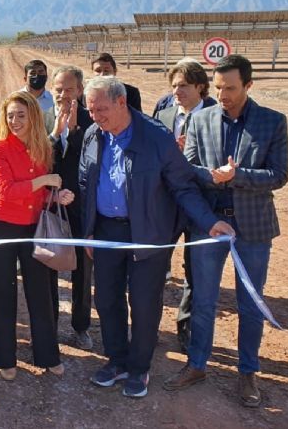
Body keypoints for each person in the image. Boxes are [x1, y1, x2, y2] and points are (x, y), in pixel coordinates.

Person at [79, 76, 235, 399]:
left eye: (101, 109)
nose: (95, 116)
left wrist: (209, 222)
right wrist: (90, 229)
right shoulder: (94, 135)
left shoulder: (155, 137)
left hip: (146, 233)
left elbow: (183, 186)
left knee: (145, 303)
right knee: (106, 300)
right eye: (90, 110)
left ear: (121, 103)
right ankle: (117, 360)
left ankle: (138, 368)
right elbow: (86, 183)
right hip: (106, 233)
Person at [163, 55, 288, 408]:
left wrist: (238, 175)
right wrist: (212, 178)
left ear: (248, 86)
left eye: (231, 88)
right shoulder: (200, 120)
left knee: (250, 304)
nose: (223, 95)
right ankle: (197, 364)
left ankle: (248, 371)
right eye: (218, 88)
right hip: (209, 224)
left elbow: (279, 176)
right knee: (203, 300)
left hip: (253, 228)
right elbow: (188, 171)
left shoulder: (272, 122)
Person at [0, 91, 73, 381]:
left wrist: (57, 196)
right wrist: (44, 181)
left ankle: (48, 355)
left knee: (41, 293)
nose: (15, 121)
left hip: (34, 227)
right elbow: (5, 192)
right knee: (3, 292)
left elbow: (38, 193)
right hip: (2, 228)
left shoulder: (41, 145)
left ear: (33, 116)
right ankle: (6, 358)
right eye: (10, 116)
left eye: (21, 115)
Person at [154, 59, 216, 353]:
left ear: (201, 87)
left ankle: (186, 328)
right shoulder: (163, 114)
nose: (177, 91)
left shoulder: (218, 116)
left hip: (202, 204)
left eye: (184, 86)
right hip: (166, 204)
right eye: (174, 85)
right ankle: (147, 325)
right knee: (154, 263)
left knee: (194, 270)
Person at [43, 65, 95, 350]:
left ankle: (80, 325)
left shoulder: (92, 120)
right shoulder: (42, 119)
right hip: (48, 204)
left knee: (82, 269)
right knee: (48, 263)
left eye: (69, 90)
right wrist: (55, 133)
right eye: (58, 89)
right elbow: (40, 159)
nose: (63, 95)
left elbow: (88, 161)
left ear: (80, 90)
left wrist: (74, 131)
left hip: (80, 205)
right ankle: (49, 322)